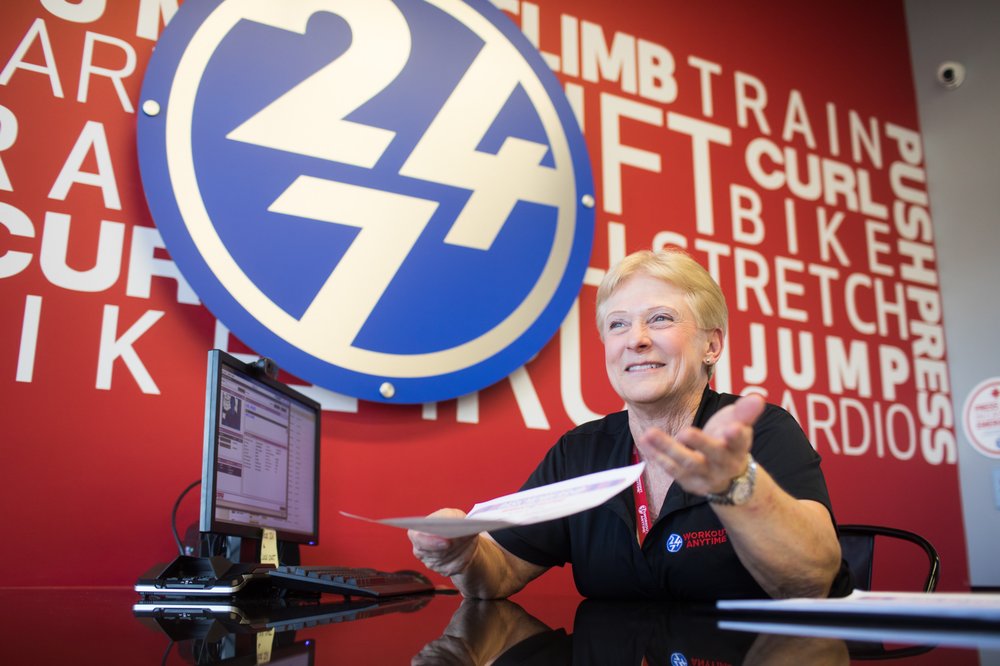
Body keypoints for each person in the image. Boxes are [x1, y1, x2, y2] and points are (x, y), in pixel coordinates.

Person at [408, 247, 850, 600]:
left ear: (711, 346)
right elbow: (502, 570)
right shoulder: (581, 451)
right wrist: (464, 557)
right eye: (618, 325)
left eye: (660, 318)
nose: (636, 340)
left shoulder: (763, 432)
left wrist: (736, 486)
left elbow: (812, 579)